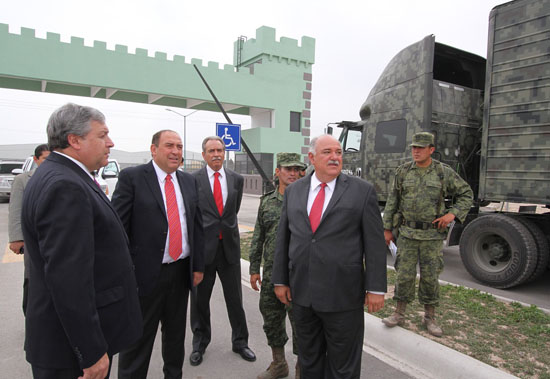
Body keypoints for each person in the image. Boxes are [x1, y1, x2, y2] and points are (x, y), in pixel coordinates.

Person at [21, 103, 142, 379]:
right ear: (74, 141)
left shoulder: (63, 175)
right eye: (102, 135)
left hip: (64, 343)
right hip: (69, 353)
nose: (110, 143)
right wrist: (90, 351)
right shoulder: (65, 186)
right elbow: (68, 279)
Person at [272, 135, 387, 379]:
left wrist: (376, 287)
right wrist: (280, 280)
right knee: (309, 360)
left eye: (338, 152)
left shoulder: (361, 191)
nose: (335, 157)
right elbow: (284, 238)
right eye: (327, 152)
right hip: (302, 294)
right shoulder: (294, 191)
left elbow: (375, 244)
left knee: (343, 366)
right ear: (312, 158)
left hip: (343, 296)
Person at [112, 130, 205, 379]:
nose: (175, 151)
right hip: (143, 276)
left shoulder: (188, 181)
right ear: (153, 150)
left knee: (175, 339)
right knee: (137, 342)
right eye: (169, 145)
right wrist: (124, 271)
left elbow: (196, 224)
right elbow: (118, 228)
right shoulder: (132, 178)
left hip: (180, 273)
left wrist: (198, 265)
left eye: (179, 146)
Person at [381, 132, 473, 337]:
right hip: (407, 234)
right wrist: (387, 229)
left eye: (421, 148)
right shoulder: (403, 171)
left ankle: (430, 317)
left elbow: (466, 194)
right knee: (404, 275)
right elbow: (392, 202)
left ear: (431, 149)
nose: (416, 151)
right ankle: (399, 313)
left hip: (432, 236)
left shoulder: (443, 172)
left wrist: (452, 214)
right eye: (414, 147)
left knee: (430, 278)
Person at [189, 136, 256, 366]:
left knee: (235, 299)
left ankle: (240, 342)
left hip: (228, 249)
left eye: (220, 150)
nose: (217, 154)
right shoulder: (193, 180)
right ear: (204, 154)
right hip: (203, 250)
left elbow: (231, 212)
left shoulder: (236, 179)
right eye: (211, 150)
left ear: (224, 153)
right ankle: (199, 344)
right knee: (200, 301)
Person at [249, 153, 305, 379]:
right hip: (272, 272)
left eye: (297, 169)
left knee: (301, 324)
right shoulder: (267, 202)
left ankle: (304, 368)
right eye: (288, 169)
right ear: (277, 171)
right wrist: (254, 268)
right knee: (271, 319)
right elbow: (258, 237)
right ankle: (279, 363)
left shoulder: (306, 200)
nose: (293, 173)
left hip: (298, 274)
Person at [8, 143, 49, 316]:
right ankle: (31, 315)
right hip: (32, 238)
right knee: (32, 276)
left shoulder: (58, 177)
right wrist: (17, 238)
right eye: (45, 159)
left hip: (51, 238)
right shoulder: (23, 180)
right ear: (35, 159)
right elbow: (16, 209)